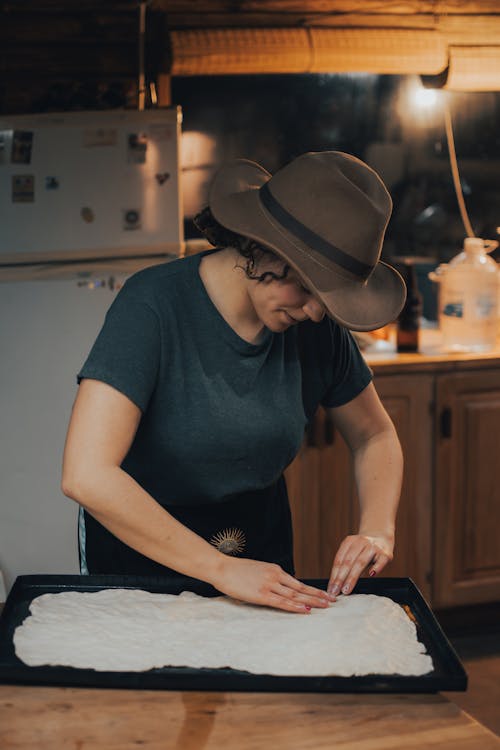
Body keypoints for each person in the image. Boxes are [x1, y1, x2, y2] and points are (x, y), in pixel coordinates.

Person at [62, 150, 406, 615]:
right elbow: (87, 474)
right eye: (306, 287)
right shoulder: (153, 306)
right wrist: (218, 569)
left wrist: (377, 528)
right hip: (144, 541)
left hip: (258, 541)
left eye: (330, 297)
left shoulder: (317, 327)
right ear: (259, 246)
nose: (317, 312)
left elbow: (374, 434)